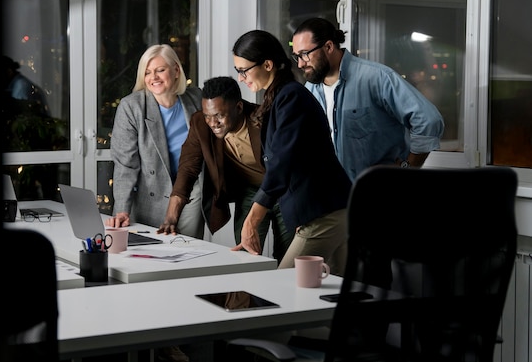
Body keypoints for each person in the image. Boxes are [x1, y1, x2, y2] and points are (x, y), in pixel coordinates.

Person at [230, 29, 352, 275]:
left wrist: (252, 220)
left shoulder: (291, 97)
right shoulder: (279, 98)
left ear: (267, 65)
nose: (241, 78)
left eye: (243, 70)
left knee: (285, 284)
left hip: (325, 212)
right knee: (334, 293)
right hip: (324, 211)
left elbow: (282, 164)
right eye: (238, 71)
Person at [291, 17, 445, 181]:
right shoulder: (310, 90)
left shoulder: (376, 78)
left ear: (328, 46)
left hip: (375, 196)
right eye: (296, 56)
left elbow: (428, 120)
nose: (300, 64)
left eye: (305, 54)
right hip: (332, 197)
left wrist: (409, 167)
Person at [158, 76, 293, 263]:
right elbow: (188, 170)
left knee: (288, 259)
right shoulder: (200, 124)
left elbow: (284, 167)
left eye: (219, 115)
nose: (213, 123)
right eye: (208, 116)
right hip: (249, 193)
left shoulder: (264, 119)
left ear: (238, 108)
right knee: (246, 257)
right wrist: (171, 218)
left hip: (284, 191)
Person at [107, 44, 205, 240]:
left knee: (187, 250)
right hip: (152, 192)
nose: (154, 77)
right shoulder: (131, 107)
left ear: (176, 70)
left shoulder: (196, 99)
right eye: (148, 72)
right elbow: (126, 164)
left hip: (191, 192)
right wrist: (122, 209)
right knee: (151, 255)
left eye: (160, 70)